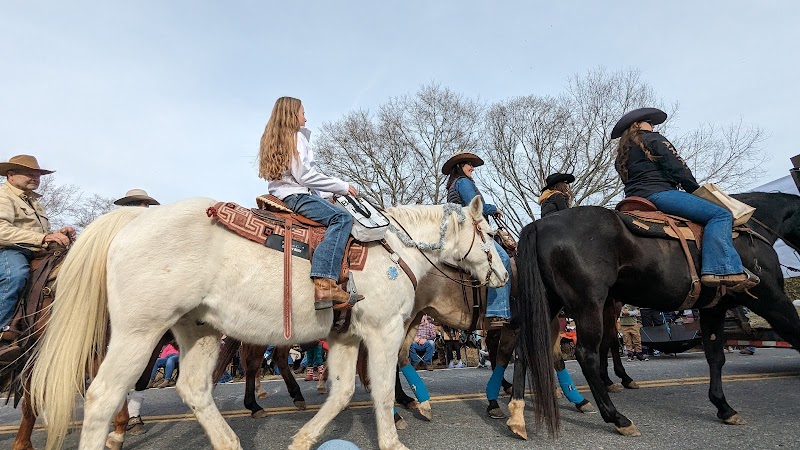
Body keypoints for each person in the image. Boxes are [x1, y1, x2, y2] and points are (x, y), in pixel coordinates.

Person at [612, 107, 759, 292]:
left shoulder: (621, 156)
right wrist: (694, 191)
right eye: (649, 122)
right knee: (720, 215)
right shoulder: (654, 139)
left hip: (632, 200)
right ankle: (720, 269)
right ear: (638, 124)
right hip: (660, 194)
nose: (653, 125)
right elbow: (678, 168)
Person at [260, 97, 362, 310]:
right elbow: (305, 176)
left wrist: (326, 194)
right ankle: (325, 282)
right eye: (303, 113)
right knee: (341, 218)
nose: (306, 117)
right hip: (297, 196)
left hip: (286, 196)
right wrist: (341, 186)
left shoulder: (278, 139)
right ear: (292, 114)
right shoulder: (296, 137)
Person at [0, 155, 75, 362]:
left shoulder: (34, 201)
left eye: (38, 174)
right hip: (8, 251)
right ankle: (1, 332)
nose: (35, 177)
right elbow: (1, 230)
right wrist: (43, 237)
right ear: (11, 175)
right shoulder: (3, 197)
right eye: (29, 173)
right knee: (16, 275)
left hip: (35, 251)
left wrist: (58, 233)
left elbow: (40, 232)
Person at [442, 152, 511, 329]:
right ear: (460, 167)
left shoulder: (452, 185)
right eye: (469, 164)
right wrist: (493, 209)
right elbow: (473, 204)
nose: (472, 168)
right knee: (502, 258)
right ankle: (498, 310)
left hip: (458, 232)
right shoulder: (464, 182)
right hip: (470, 232)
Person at [114, 188, 160, 434]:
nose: (143, 208)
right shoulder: (119, 227)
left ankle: (134, 411)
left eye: (146, 204)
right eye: (138, 203)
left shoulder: (154, 229)